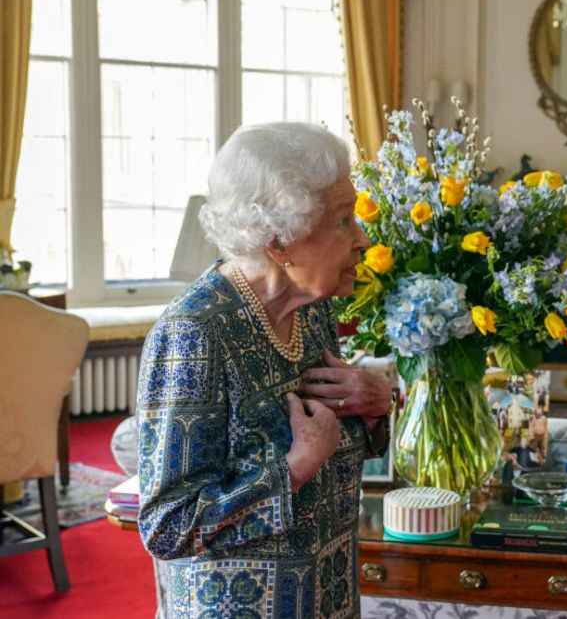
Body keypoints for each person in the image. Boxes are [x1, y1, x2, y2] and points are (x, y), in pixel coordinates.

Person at [136, 122, 393, 618]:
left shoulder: (312, 307)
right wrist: (295, 467)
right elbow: (168, 527)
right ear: (281, 241)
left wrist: (377, 404)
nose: (362, 239)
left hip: (329, 595)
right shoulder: (196, 334)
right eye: (344, 221)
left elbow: (332, 442)